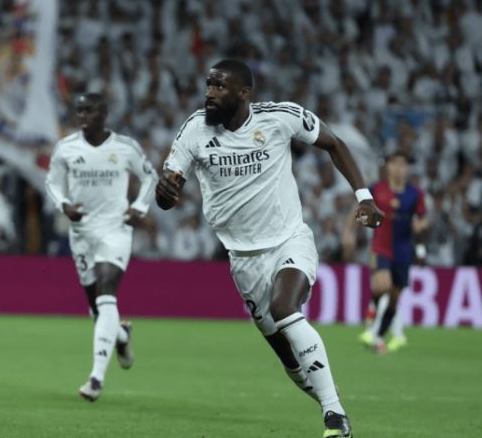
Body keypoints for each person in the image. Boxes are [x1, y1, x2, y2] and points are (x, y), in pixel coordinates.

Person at [155, 59, 383, 438]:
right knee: (289, 361)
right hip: (243, 260)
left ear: (244, 93)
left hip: (289, 240)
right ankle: (325, 392)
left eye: (219, 87)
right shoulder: (195, 130)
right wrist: (166, 193)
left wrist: (363, 196)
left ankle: (335, 416)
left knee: (284, 308)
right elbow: (168, 189)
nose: (210, 93)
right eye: (208, 85)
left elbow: (334, 143)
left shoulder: (280, 118)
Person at [45, 92, 158, 402]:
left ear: (104, 113)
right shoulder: (66, 148)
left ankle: (95, 378)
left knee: (108, 292)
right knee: (98, 309)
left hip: (115, 229)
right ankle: (121, 335)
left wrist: (140, 208)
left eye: (89, 110)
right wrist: (64, 205)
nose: (83, 115)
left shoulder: (125, 147)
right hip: (81, 233)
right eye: (79, 109)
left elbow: (150, 177)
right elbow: (52, 183)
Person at [351, 151, 429, 353]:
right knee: (382, 286)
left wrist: (420, 244)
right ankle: (374, 320)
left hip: (404, 250)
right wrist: (351, 231)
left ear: (408, 168)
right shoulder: (376, 189)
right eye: (395, 164)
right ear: (387, 166)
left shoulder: (416, 193)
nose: (399, 168)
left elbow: (422, 219)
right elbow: (358, 211)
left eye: (403, 165)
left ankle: (376, 335)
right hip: (381, 246)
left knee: (394, 297)